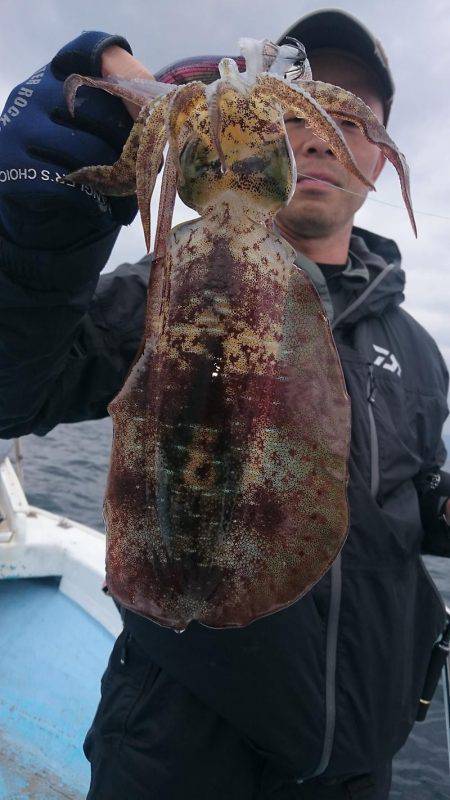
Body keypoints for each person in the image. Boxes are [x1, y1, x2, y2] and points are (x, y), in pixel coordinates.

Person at [0, 8, 449, 800]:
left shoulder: (416, 351)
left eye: (353, 120)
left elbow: (412, 500)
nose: (317, 136)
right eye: (299, 112)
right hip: (179, 751)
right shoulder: (168, 288)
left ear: (381, 157)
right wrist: (41, 242)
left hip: (362, 763)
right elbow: (14, 386)